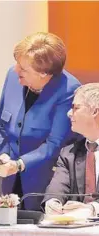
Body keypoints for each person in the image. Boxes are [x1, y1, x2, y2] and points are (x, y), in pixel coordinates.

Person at [0, 32, 81, 210]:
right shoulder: (12, 76)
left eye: (23, 68)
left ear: (44, 74)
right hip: (10, 184)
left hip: (43, 186)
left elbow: (55, 144)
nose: (16, 70)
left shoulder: (68, 90)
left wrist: (20, 164)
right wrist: (4, 155)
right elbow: (1, 125)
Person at [42, 83, 99, 217]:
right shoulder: (69, 153)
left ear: (95, 111)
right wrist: (52, 202)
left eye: (75, 108)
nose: (69, 113)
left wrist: (93, 209)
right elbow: (57, 187)